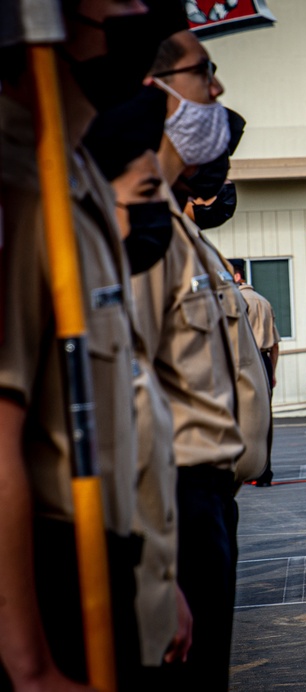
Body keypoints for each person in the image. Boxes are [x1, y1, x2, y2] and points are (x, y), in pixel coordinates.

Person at [0, 1, 182, 687]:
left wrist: (157, 588)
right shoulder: (20, 185)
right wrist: (29, 665)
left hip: (107, 558)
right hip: (49, 573)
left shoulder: (73, 177)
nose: (141, 11)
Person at [131, 29, 268, 689]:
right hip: (173, 501)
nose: (216, 89)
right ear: (152, 89)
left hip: (213, 496)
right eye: (203, 71)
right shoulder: (137, 229)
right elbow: (121, 398)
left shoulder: (180, 229)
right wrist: (153, 570)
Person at [82, 82, 195, 681]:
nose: (161, 212)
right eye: (147, 192)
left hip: (150, 559)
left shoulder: (116, 273)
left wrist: (164, 581)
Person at [230, 258, 281, 486]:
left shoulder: (235, 300)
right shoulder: (264, 301)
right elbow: (276, 343)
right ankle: (264, 471)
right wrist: (272, 371)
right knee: (264, 417)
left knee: (239, 415)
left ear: (238, 276)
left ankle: (243, 469)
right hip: (264, 359)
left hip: (242, 358)